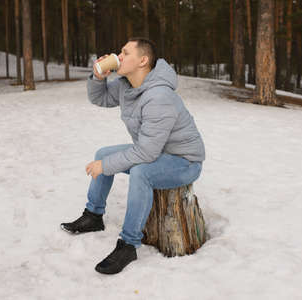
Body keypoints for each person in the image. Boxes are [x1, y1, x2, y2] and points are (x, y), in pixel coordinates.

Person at [61, 37, 205, 275]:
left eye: (125, 53)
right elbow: (100, 98)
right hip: (156, 151)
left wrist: (105, 166)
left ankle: (128, 244)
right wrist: (98, 77)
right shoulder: (127, 85)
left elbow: (146, 153)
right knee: (103, 153)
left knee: (140, 172)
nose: (119, 56)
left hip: (184, 161)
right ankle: (93, 216)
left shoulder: (159, 96)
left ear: (143, 61)